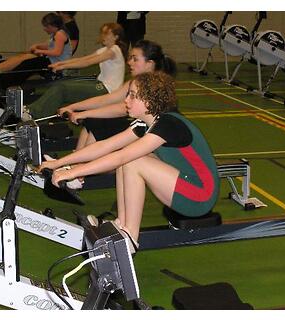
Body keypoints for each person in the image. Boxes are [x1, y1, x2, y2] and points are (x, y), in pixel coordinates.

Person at [37, 71, 220, 248]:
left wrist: (72, 172)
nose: (126, 101)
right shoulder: (147, 123)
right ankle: (121, 223)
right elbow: (105, 146)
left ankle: (130, 235)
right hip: (183, 187)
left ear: (149, 101)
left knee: (133, 159)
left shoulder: (167, 124)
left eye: (132, 96)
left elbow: (121, 156)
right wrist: (59, 163)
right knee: (130, 157)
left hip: (200, 195)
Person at [58, 39, 177, 151]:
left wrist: (83, 113)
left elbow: (122, 109)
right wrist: (73, 107)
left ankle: (80, 167)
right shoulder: (137, 81)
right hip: (141, 125)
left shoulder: (152, 85)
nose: (129, 62)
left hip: (154, 133)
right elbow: (106, 99)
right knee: (92, 121)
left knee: (100, 125)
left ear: (149, 63)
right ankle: (77, 164)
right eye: (130, 58)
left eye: (135, 59)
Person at [25, 22, 127, 120]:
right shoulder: (105, 50)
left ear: (116, 37)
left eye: (106, 33)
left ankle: (33, 113)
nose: (103, 36)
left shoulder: (114, 50)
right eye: (102, 33)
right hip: (101, 83)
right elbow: (83, 59)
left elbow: (88, 63)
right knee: (62, 84)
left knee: (62, 88)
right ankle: (32, 110)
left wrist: (62, 67)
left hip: (108, 90)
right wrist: (60, 64)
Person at [0, 12, 72, 90]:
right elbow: (49, 46)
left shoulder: (60, 35)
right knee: (24, 58)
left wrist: (40, 51)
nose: (44, 29)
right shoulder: (56, 33)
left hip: (55, 63)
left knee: (27, 65)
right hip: (51, 60)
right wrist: (37, 46)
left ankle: (3, 81)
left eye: (46, 26)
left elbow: (57, 52)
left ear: (53, 26)